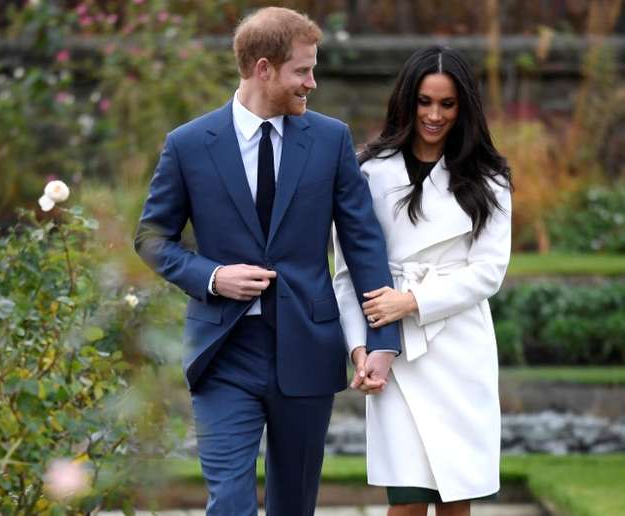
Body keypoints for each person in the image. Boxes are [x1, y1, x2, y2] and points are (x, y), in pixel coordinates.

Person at [135, 6, 401, 515]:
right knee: (230, 504)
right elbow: (150, 236)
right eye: (302, 70)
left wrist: (380, 340)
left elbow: (363, 242)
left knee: (294, 506)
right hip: (223, 351)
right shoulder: (189, 145)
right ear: (263, 69)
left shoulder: (330, 140)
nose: (312, 82)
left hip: (307, 345)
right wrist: (211, 276)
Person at [332, 45, 513, 516]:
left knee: (456, 498)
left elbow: (489, 271)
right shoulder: (368, 172)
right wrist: (360, 348)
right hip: (394, 352)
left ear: (464, 107)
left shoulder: (489, 178)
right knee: (408, 501)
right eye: (425, 102)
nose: (434, 115)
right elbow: (347, 274)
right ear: (406, 101)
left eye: (447, 104)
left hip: (458, 345)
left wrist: (410, 301)